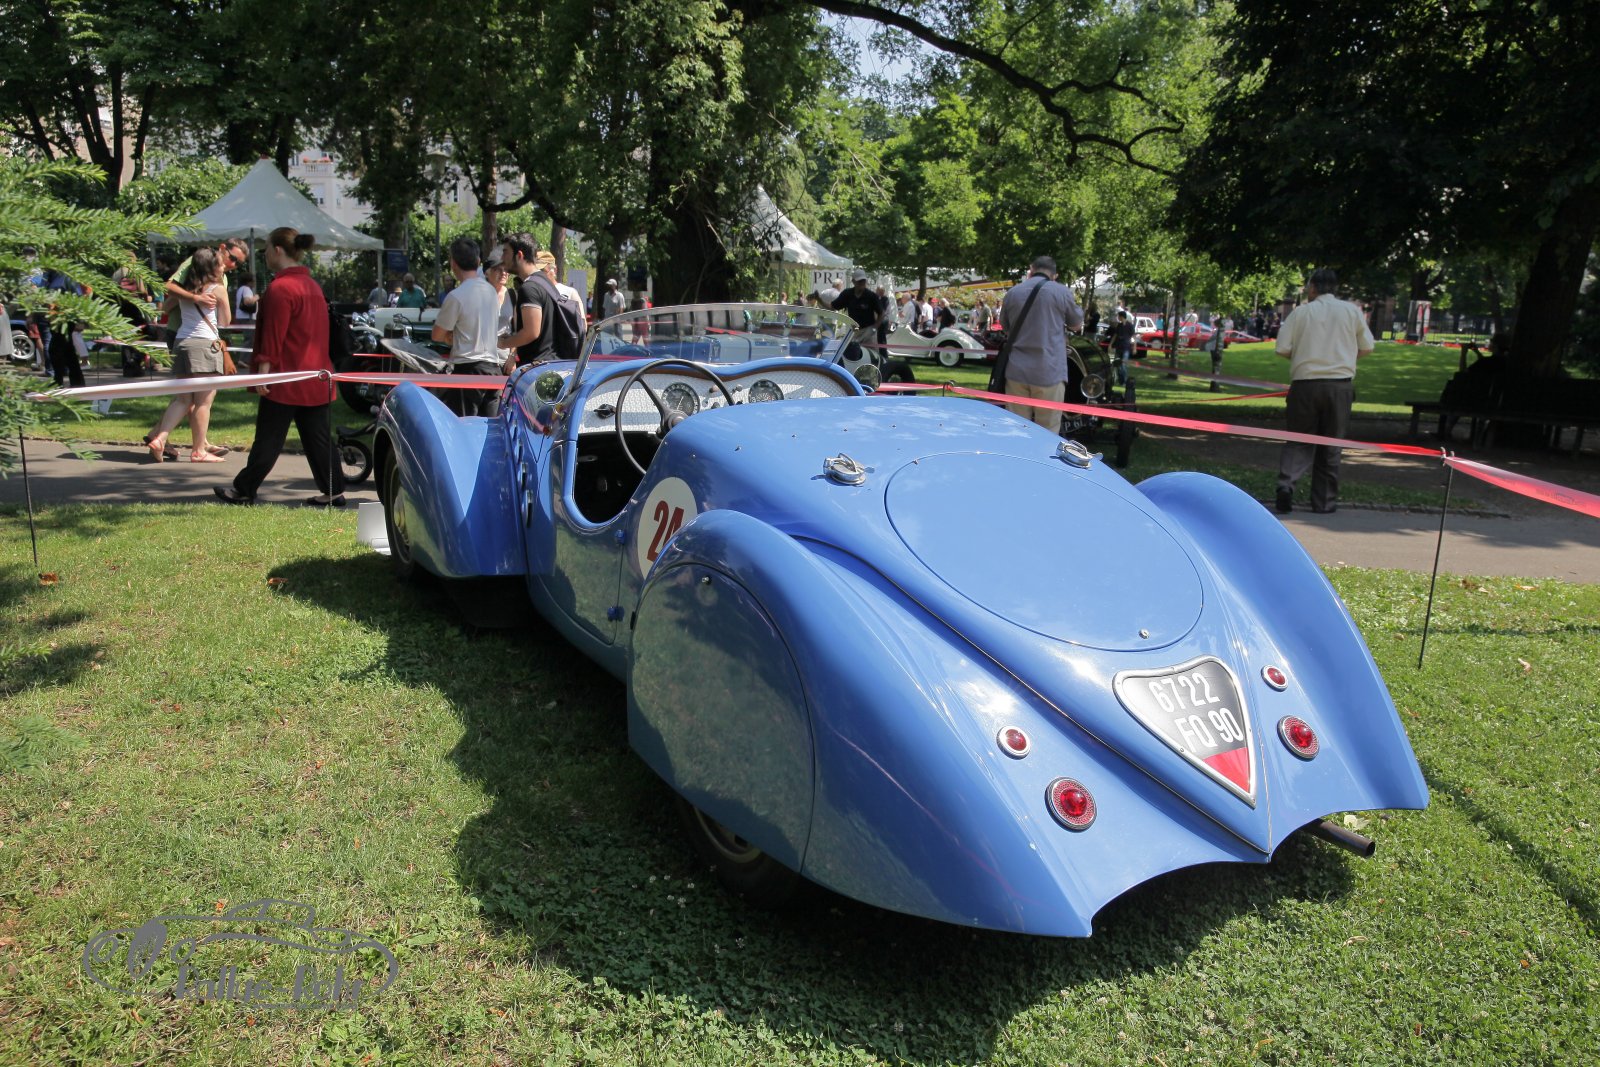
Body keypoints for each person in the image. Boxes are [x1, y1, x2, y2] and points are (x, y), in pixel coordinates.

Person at [215, 227, 345, 507]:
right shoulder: (313, 286)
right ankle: (334, 491)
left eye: (265, 249)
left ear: (277, 250)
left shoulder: (280, 288)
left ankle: (244, 490)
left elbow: (273, 337)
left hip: (286, 378)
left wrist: (263, 374)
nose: (264, 255)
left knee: (268, 439)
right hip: (316, 376)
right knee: (319, 439)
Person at [1274, 267, 1374, 515]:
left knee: (1298, 440)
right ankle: (1324, 502)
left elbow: (1282, 348)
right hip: (1339, 385)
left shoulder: (1301, 313)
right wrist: (1344, 357)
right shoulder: (1351, 311)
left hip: (1305, 384)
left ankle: (1286, 484)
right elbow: (1367, 346)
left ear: (1313, 288)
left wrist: (1304, 356)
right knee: (1331, 445)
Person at [146, 247, 231, 463]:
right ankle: (199, 451)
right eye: (220, 264)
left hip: (181, 343)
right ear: (211, 267)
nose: (224, 267)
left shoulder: (185, 288)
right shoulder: (218, 289)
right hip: (204, 345)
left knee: (183, 399)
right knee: (204, 402)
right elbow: (225, 321)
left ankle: (160, 438)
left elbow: (169, 296)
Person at [997, 256, 1083, 430]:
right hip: (1049, 370)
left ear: (1031, 270)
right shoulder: (1061, 292)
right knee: (1048, 430)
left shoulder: (1013, 293)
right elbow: (1076, 325)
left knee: (1017, 429)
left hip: (1017, 371)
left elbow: (1005, 327)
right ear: (1054, 275)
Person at [431, 237, 505, 417]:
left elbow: (437, 335)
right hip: (493, 368)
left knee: (465, 426)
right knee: (491, 426)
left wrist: (451, 337)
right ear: (478, 261)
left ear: (453, 263)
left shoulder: (456, 296)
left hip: (467, 370)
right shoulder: (491, 292)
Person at [498, 233, 552, 365]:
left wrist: (503, 343)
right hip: (549, 364)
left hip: (537, 367)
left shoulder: (529, 288)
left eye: (505, 252)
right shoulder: (544, 282)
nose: (502, 258)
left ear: (519, 255)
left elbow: (531, 332)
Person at [831, 269, 882, 365]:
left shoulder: (871, 296)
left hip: (868, 331)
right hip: (853, 331)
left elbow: (881, 313)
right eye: (859, 281)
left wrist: (874, 328)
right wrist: (818, 299)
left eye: (863, 281)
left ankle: (875, 371)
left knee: (873, 357)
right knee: (852, 356)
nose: (862, 283)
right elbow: (833, 306)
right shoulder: (847, 294)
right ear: (853, 281)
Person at [1111, 310, 1135, 386]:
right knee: (1117, 364)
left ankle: (1124, 381)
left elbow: (1133, 337)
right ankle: (1120, 381)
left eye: (1118, 316)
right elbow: (1115, 335)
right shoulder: (1119, 325)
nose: (1118, 317)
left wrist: (1134, 347)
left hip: (1126, 348)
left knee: (1123, 365)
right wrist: (1110, 344)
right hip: (1118, 347)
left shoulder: (1130, 325)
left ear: (1122, 317)